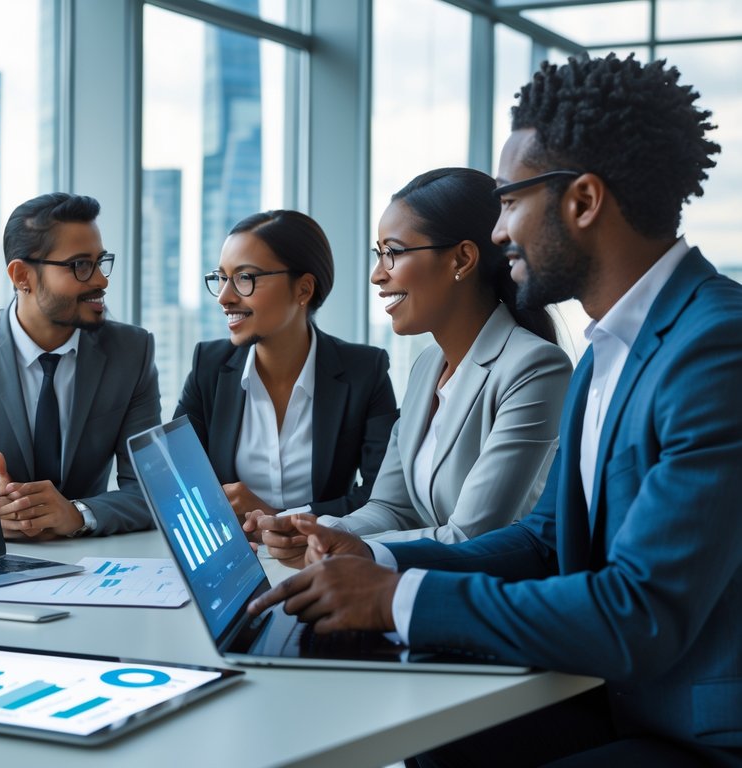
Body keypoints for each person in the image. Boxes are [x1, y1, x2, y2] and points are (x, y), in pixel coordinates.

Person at [249, 54, 740, 765]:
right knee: (429, 744)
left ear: (582, 201)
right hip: (617, 695)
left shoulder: (714, 347)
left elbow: (639, 612)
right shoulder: (609, 348)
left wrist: (396, 599)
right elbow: (544, 542)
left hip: (693, 730)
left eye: (509, 201)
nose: (500, 232)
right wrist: (376, 556)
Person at [248, 169, 571, 563]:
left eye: (394, 253)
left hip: (485, 604)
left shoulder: (534, 368)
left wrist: (361, 550)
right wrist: (311, 529)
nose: (377, 274)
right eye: (378, 253)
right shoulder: (427, 366)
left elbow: (472, 537)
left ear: (462, 259)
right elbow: (391, 509)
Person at [0, 192, 161, 539]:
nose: (100, 281)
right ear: (22, 276)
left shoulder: (131, 352)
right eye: (80, 265)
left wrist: (78, 514)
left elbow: (151, 490)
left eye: (100, 262)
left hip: (91, 562)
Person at [174, 210, 398, 525]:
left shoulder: (365, 371)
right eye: (222, 278)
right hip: (236, 555)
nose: (224, 297)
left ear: (303, 290)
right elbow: (175, 480)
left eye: (244, 278)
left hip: (323, 554)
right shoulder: (208, 367)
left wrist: (281, 518)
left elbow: (382, 496)